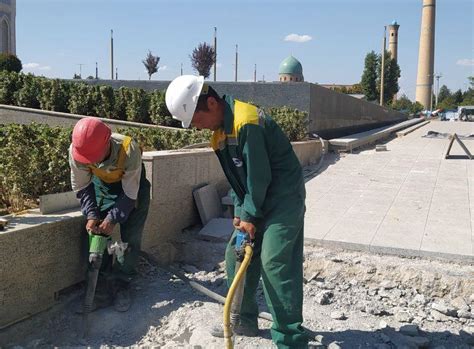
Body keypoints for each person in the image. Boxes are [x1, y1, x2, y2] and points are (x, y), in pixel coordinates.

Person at [165, 75, 308, 348]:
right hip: (257, 195)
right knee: (236, 254)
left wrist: (251, 216)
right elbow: (239, 180)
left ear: (211, 103)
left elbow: (258, 176)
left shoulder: (246, 121)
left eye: (196, 120)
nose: (197, 127)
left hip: (283, 198)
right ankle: (245, 319)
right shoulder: (219, 134)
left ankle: (291, 340)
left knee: (274, 262)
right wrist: (242, 213)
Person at [69, 117, 150, 312]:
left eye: (96, 156)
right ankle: (101, 290)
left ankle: (122, 285)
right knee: (96, 236)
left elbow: (130, 193)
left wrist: (112, 218)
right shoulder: (77, 151)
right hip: (102, 189)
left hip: (132, 192)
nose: (93, 161)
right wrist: (91, 214)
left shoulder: (128, 149)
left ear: (107, 143)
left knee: (129, 240)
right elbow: (82, 186)